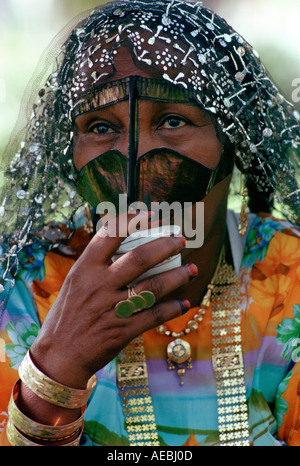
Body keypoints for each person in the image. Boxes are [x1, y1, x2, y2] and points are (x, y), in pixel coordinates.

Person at [0, 0, 299, 447]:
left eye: (173, 120)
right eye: (100, 126)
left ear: (233, 139)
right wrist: (55, 367)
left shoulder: (288, 278)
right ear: (71, 151)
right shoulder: (21, 287)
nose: (136, 163)